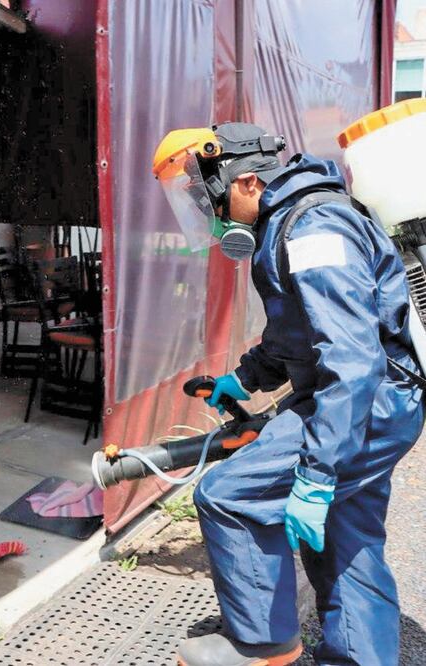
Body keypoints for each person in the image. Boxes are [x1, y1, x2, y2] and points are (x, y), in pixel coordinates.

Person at [152, 123, 424, 666]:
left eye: (210, 198)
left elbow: (350, 358)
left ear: (248, 181)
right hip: (378, 401)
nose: (210, 215)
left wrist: (318, 473)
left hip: (364, 403)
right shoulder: (292, 222)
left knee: (230, 495)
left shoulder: (312, 230)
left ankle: (262, 645)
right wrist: (245, 378)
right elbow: (297, 332)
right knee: (347, 540)